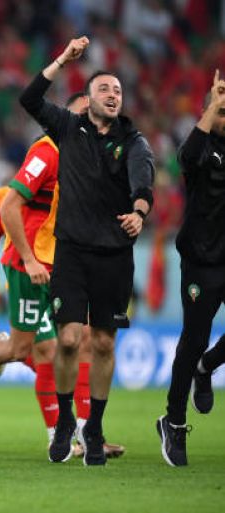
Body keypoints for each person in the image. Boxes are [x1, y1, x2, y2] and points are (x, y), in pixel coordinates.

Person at [0, 93, 123, 459]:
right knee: (27, 348)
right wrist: (0, 258)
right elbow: (5, 211)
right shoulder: (46, 152)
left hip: (69, 265)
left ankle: (85, 434)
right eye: (81, 113)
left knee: (83, 340)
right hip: (30, 266)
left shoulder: (92, 159)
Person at [19, 36, 154, 465]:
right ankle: (64, 420)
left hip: (114, 255)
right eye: (104, 89)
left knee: (104, 345)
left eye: (118, 90)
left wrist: (139, 212)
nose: (113, 95)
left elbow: (143, 183)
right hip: (72, 252)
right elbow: (29, 98)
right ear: (88, 99)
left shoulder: (134, 141)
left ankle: (93, 426)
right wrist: (62, 58)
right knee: (68, 339)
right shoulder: (68, 128)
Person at [158, 70, 225, 466]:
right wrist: (213, 105)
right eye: (221, 112)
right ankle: (174, 422)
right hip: (201, 261)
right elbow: (185, 158)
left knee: (200, 352)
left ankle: (207, 367)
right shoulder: (201, 150)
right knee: (193, 339)